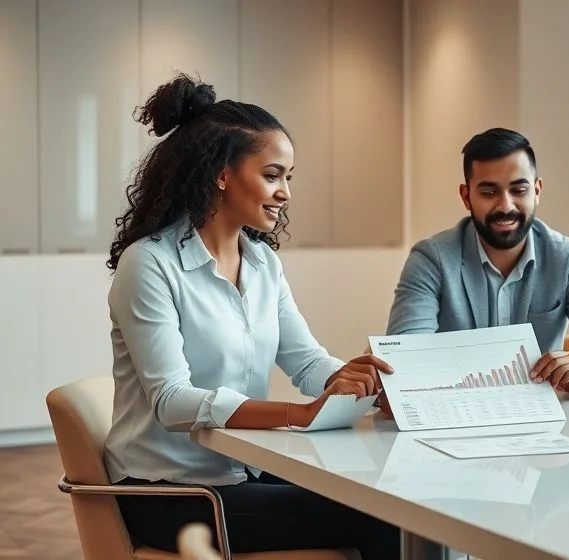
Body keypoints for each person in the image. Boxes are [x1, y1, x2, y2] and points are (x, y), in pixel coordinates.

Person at [103, 73, 400, 558]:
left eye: (288, 178)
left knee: (387, 498)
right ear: (222, 174)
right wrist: (299, 416)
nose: (286, 192)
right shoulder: (150, 264)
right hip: (171, 492)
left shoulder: (262, 263)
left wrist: (358, 380)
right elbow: (172, 400)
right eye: (272, 175)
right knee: (378, 517)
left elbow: (306, 364)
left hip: (242, 470)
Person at [385, 127, 569, 395]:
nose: (506, 206)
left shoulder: (567, 258)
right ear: (466, 197)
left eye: (519, 190)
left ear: (537, 190)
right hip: (456, 418)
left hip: (545, 426)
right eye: (489, 192)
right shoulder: (431, 260)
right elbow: (404, 359)